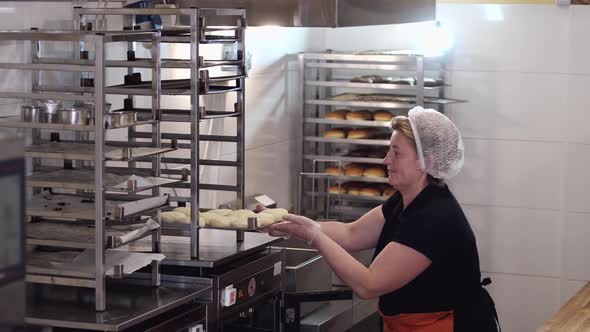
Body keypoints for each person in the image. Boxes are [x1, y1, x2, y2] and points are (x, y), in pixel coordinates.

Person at [266, 107, 499, 332]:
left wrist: (314, 236)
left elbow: (368, 284)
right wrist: (293, 225)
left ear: (425, 161)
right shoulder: (406, 200)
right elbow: (351, 234)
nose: (386, 160)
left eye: (396, 153)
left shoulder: (434, 218)